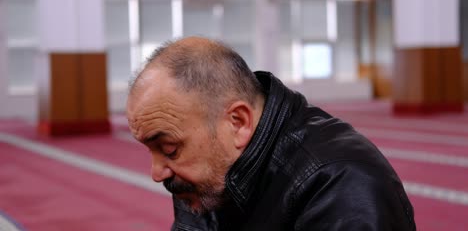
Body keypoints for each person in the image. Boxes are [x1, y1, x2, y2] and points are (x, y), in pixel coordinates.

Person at [126, 36, 416, 231]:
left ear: (238, 122)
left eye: (168, 149)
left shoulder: (342, 184)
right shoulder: (203, 180)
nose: (157, 172)